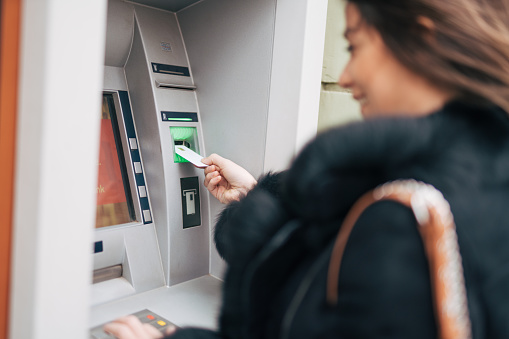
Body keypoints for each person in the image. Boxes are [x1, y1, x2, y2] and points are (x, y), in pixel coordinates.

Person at [104, 0, 509, 338]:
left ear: (421, 40)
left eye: (354, 46)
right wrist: (255, 202)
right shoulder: (482, 182)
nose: (346, 76)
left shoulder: (404, 223)